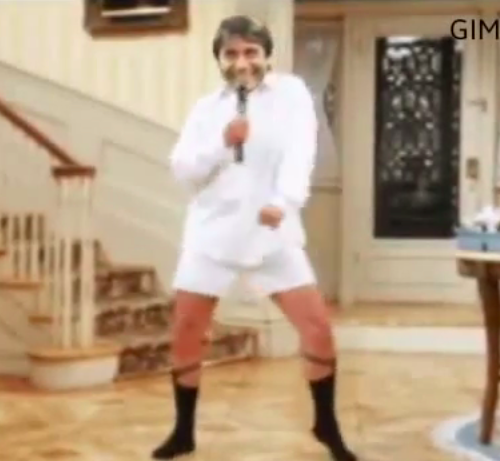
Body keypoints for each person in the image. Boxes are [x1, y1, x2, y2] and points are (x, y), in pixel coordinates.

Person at [150, 15, 358, 461]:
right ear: (220, 60)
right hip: (211, 233)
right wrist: (223, 142)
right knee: (186, 329)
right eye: (231, 54)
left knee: (317, 328)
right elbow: (184, 172)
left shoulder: (292, 95)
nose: (242, 61)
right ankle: (183, 432)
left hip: (271, 231)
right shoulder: (206, 110)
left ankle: (326, 423)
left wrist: (283, 202)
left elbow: (301, 154)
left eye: (250, 52)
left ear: (266, 55)